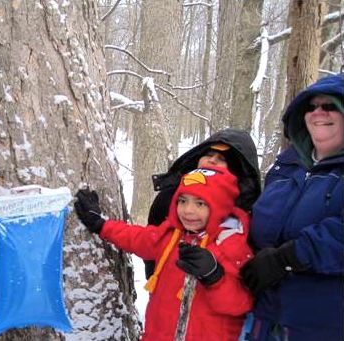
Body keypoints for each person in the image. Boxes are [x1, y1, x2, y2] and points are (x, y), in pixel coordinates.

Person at [75, 167, 254, 341]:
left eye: (200, 203)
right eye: (182, 201)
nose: (188, 210)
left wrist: (214, 277)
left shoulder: (233, 244)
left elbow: (240, 304)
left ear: (220, 206)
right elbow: (137, 238)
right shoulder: (172, 235)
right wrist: (101, 225)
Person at [240, 74, 344, 341]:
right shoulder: (286, 166)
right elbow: (261, 219)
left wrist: (286, 258)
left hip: (323, 322)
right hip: (265, 315)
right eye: (311, 106)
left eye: (330, 105)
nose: (318, 112)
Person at [146, 128, 261, 279]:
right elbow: (150, 240)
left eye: (222, 158)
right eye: (208, 154)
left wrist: (213, 275)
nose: (212, 160)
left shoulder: (249, 212)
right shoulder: (170, 196)